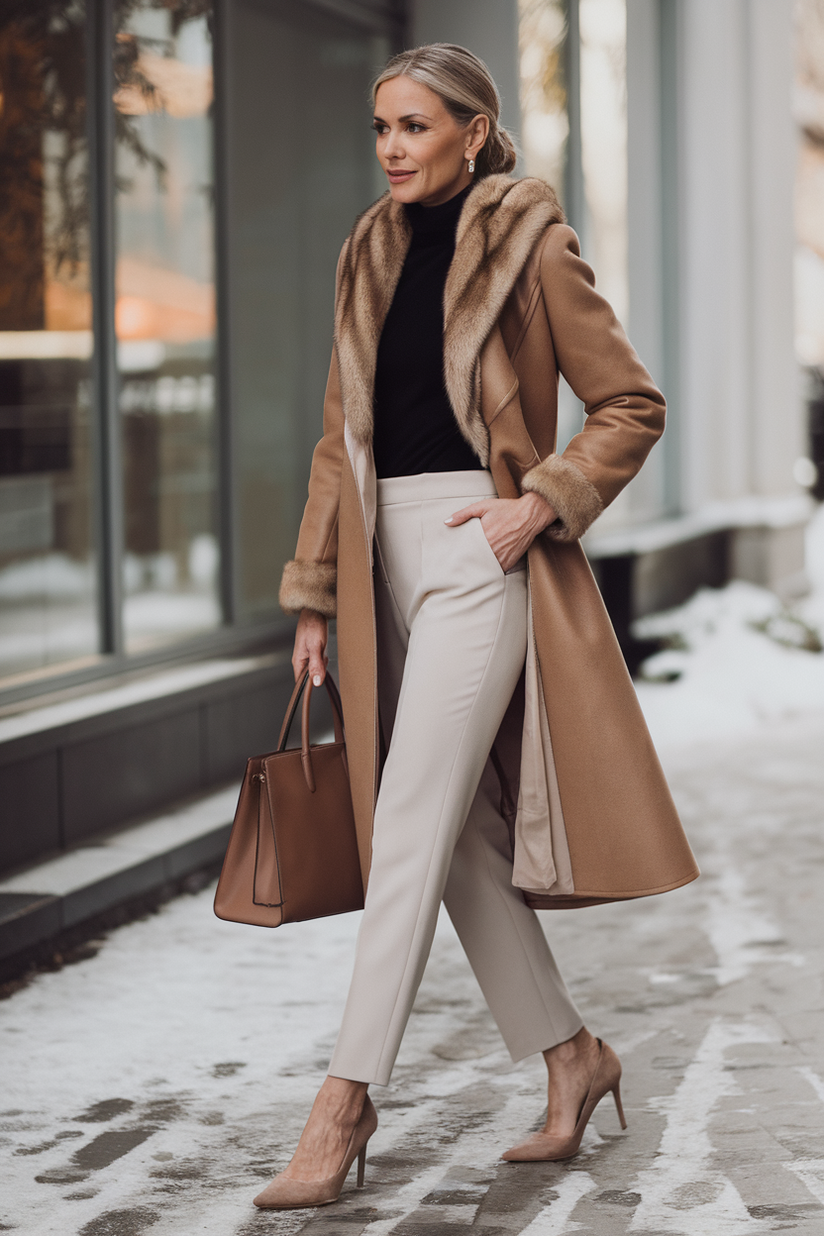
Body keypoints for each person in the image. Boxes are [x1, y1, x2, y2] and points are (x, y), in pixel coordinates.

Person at [254, 42, 698, 1211]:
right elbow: (334, 439)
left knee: (406, 816)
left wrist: (539, 504)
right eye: (379, 128)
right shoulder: (367, 250)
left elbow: (629, 402)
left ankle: (344, 1100)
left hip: (475, 553)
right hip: (373, 566)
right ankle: (571, 1055)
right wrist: (312, 593)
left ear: (470, 130)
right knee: (450, 839)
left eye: (413, 126)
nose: (392, 147)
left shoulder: (529, 242)